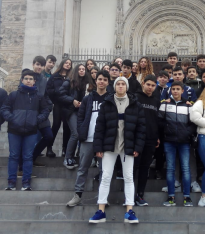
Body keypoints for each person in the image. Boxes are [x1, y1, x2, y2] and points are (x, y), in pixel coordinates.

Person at [90, 77, 146, 224]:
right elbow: (99, 127)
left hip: (128, 147)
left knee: (128, 178)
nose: (120, 86)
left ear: (127, 87)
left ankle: (129, 211)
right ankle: (101, 211)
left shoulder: (135, 104)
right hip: (109, 146)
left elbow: (141, 128)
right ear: (114, 87)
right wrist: (98, 147)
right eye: (118, 84)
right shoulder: (107, 104)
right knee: (106, 177)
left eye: (123, 84)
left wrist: (137, 147)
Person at [66, 70, 111, 207]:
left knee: (104, 171)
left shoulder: (111, 98)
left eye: (104, 79)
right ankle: (77, 195)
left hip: (104, 141)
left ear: (108, 82)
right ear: (95, 81)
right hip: (88, 139)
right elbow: (80, 117)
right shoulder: (88, 98)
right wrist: (81, 133)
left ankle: (103, 198)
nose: (101, 81)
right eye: (99, 79)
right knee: (82, 168)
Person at [2, 70, 50, 191]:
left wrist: (36, 120)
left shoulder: (39, 97)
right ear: (22, 80)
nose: (28, 81)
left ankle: (26, 183)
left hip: (31, 130)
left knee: (28, 156)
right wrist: (12, 118)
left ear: (34, 81)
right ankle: (11, 183)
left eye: (31, 79)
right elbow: (4, 109)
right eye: (26, 78)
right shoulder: (13, 95)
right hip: (14, 130)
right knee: (13, 156)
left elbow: (45, 110)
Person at [158, 81, 195, 207]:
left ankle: (187, 197)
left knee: (185, 169)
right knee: (170, 169)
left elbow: (193, 124)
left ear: (182, 91)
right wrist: (167, 129)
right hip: (169, 141)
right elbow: (160, 121)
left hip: (184, 142)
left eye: (178, 89)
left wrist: (186, 133)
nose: (175, 91)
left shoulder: (189, 106)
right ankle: (171, 197)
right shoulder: (164, 105)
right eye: (173, 89)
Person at [59, 64, 94, 169]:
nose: (82, 71)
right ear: (76, 71)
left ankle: (76, 156)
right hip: (71, 111)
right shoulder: (69, 82)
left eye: (83, 69)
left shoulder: (87, 83)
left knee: (80, 134)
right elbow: (60, 94)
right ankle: (68, 157)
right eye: (80, 69)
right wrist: (72, 101)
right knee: (75, 134)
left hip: (82, 112)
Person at [134, 74, 161, 206]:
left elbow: (156, 120)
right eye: (148, 84)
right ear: (143, 83)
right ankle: (130, 195)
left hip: (151, 139)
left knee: (145, 168)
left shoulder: (156, 100)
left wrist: (157, 137)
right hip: (136, 139)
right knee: (133, 168)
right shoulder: (135, 97)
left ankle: (140, 195)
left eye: (153, 85)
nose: (150, 87)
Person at [28, 56, 54, 164]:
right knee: (29, 140)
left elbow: (45, 94)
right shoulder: (27, 76)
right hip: (29, 112)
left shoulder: (44, 80)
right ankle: (26, 163)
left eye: (41, 65)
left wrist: (49, 105)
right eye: (37, 64)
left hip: (42, 113)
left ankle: (32, 157)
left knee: (49, 136)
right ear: (33, 64)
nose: (39, 67)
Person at [46, 58, 72, 157]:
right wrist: (57, 93)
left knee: (67, 127)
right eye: (66, 63)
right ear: (62, 64)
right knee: (56, 125)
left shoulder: (71, 77)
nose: (68, 65)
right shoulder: (54, 76)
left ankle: (65, 149)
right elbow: (48, 89)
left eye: (69, 63)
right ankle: (49, 148)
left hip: (68, 105)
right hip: (58, 104)